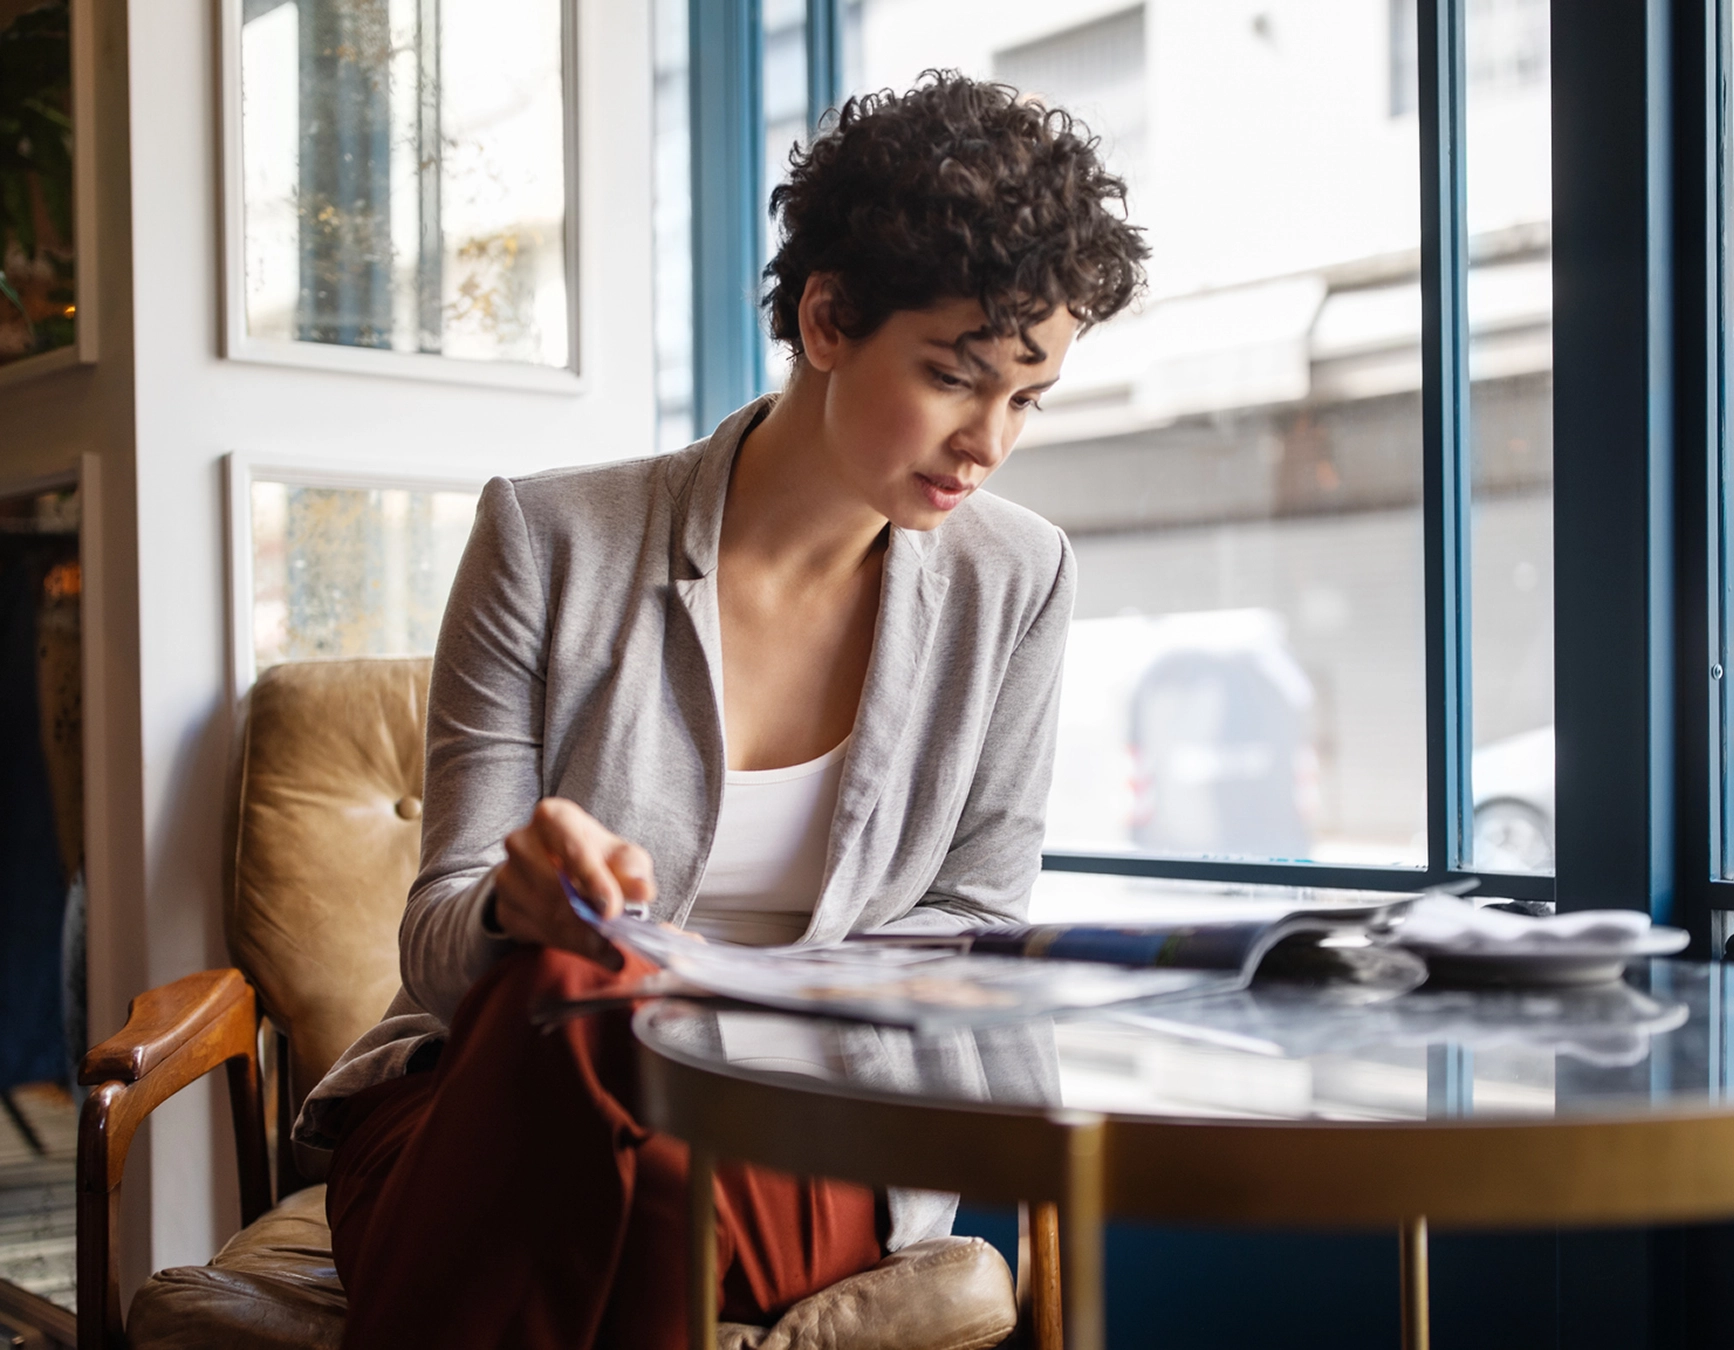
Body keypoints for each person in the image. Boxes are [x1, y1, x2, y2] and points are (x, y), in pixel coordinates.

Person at [295, 71, 1149, 1350]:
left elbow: (974, 920)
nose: (988, 442)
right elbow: (437, 938)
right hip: (484, 1107)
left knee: (646, 1173)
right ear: (824, 320)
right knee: (582, 994)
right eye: (953, 377)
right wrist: (518, 906)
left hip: (810, 1132)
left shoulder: (1015, 581)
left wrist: (740, 1014)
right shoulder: (549, 537)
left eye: (1024, 399)